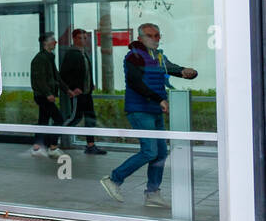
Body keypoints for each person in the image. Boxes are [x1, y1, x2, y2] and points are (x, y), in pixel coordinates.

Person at [100, 22, 197, 208]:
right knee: (149, 151)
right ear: (140, 38)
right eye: (150, 35)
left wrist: (187, 72)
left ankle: (152, 193)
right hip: (139, 110)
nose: (155, 39)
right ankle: (113, 179)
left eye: (157, 36)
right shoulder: (134, 57)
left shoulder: (159, 56)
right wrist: (158, 99)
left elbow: (173, 69)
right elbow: (136, 83)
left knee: (160, 153)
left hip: (155, 111)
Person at [61, 28, 104, 155]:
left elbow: (85, 72)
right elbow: (64, 75)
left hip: (87, 93)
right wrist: (73, 88)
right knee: (75, 118)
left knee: (90, 118)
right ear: (74, 39)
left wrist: (90, 84)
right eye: (80, 38)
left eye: (85, 38)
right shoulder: (71, 54)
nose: (83, 41)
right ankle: (52, 140)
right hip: (78, 93)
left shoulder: (83, 53)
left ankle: (91, 145)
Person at [29, 30, 70, 158]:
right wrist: (48, 94)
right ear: (45, 43)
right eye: (53, 40)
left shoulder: (48, 57)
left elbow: (55, 76)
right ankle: (52, 147)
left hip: (44, 96)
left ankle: (37, 147)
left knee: (43, 120)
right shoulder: (40, 59)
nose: (56, 42)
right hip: (43, 96)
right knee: (58, 119)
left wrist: (67, 90)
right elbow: (39, 79)